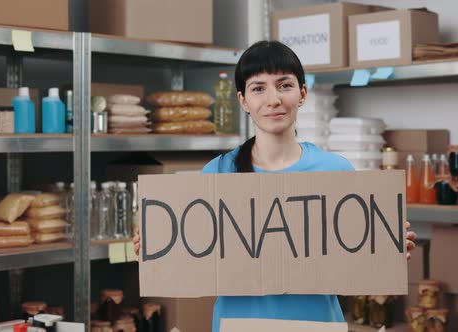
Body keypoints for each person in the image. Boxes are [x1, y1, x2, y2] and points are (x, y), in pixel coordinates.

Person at [133, 40, 417, 332]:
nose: (273, 99)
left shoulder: (336, 171)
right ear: (243, 100)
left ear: (302, 93)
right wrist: (159, 248)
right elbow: (196, 265)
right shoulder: (217, 173)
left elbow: (354, 264)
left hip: (316, 325)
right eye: (258, 88)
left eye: (284, 85)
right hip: (239, 326)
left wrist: (386, 247)